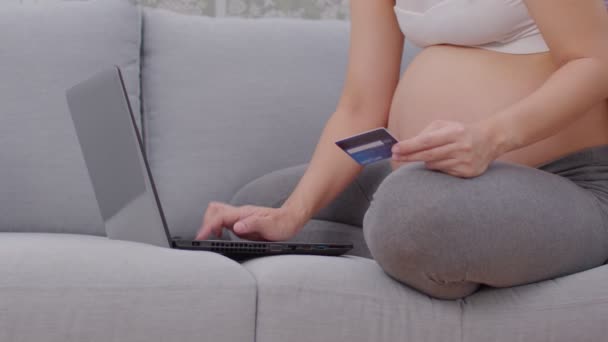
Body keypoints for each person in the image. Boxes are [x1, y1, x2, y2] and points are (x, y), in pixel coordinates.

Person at [196, 0, 608, 300]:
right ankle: (420, 243)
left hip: (565, 178)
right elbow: (362, 107)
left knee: (412, 219)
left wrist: (491, 138)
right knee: (256, 212)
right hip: (427, 173)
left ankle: (417, 237)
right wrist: (293, 214)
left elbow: (596, 60)